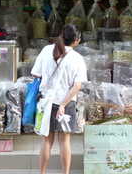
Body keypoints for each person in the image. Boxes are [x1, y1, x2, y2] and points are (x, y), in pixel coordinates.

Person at [30, 24, 87, 174]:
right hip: (66, 104)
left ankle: (42, 172)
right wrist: (63, 104)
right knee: (65, 141)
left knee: (47, 141)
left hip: (46, 102)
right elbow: (77, 86)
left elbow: (36, 74)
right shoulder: (77, 58)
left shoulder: (46, 50)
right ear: (76, 40)